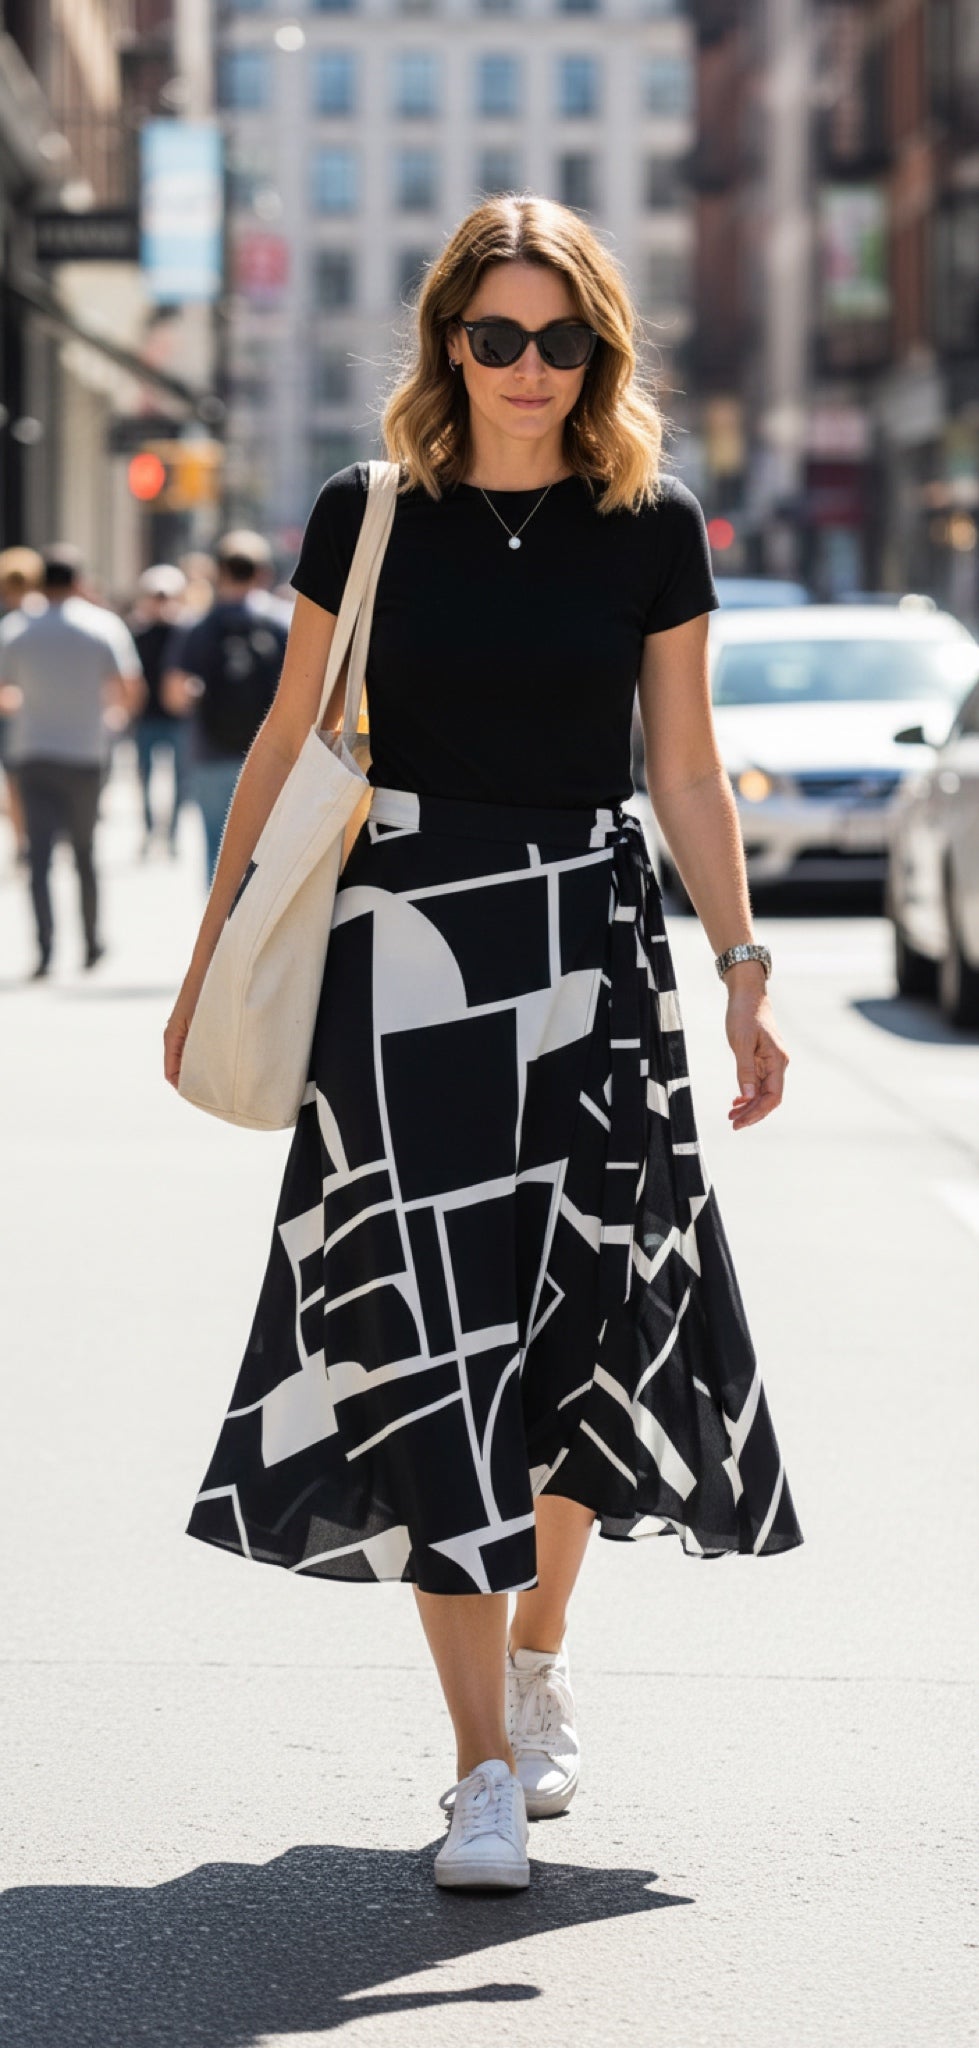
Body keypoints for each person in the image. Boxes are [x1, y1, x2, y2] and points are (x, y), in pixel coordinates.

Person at [165, 195, 802, 1893]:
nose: (527, 368)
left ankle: (538, 1649)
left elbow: (680, 765)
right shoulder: (365, 513)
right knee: (428, 1334)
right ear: (447, 338)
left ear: (600, 352)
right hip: (405, 954)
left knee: (581, 1325)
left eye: (561, 339)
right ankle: (475, 1772)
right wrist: (209, 948)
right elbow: (283, 743)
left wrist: (738, 965)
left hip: (592, 955)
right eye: (496, 334)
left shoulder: (648, 523)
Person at [1, 544, 142, 977]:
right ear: (79, 581)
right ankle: (91, 942)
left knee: (38, 856)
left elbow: (4, 692)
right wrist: (112, 721)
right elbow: (130, 687)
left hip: (33, 751)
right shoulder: (102, 626)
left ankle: (44, 948)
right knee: (85, 852)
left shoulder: (16, 628)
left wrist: (26, 705)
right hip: (85, 752)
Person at [161, 531, 289, 887]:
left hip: (211, 753)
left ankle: (219, 937)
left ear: (219, 573)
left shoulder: (197, 626)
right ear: (263, 572)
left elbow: (174, 696)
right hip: (273, 758)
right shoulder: (283, 622)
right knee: (268, 858)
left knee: (217, 854)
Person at [129, 564, 190, 858]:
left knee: (181, 779)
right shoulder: (137, 633)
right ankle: (150, 830)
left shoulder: (185, 633)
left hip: (178, 719)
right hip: (146, 717)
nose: (161, 602)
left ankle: (173, 834)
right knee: (145, 778)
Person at [0, 546, 45, 864]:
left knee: (19, 784)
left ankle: (24, 841)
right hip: (40, 713)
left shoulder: (13, 624)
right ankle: (31, 840)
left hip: (22, 715)